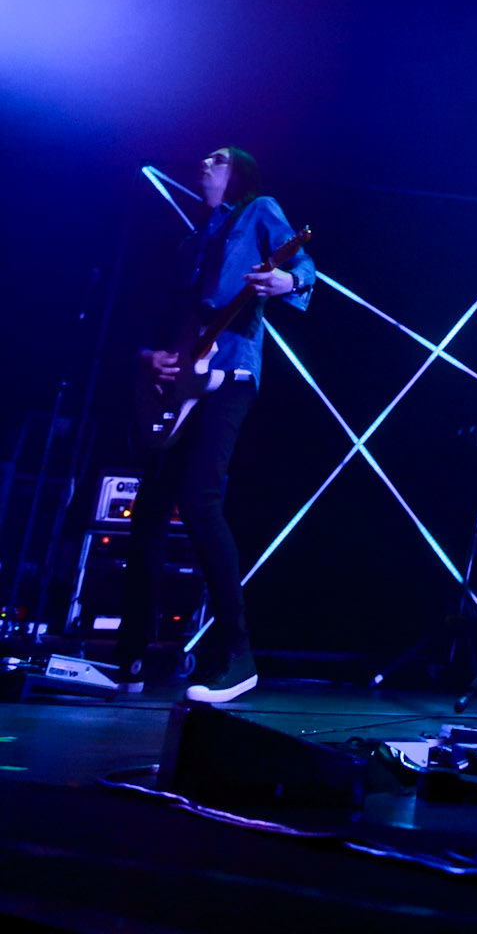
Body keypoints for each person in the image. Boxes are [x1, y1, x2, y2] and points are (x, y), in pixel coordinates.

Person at [118, 145, 315, 702]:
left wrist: (288, 283)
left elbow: (300, 266)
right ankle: (132, 654)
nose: (204, 164)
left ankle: (237, 651)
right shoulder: (190, 242)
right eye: (202, 159)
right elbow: (166, 316)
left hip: (229, 375)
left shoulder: (260, 211)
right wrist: (149, 357)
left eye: (218, 160)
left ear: (240, 174)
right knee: (150, 510)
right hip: (181, 378)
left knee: (201, 501)